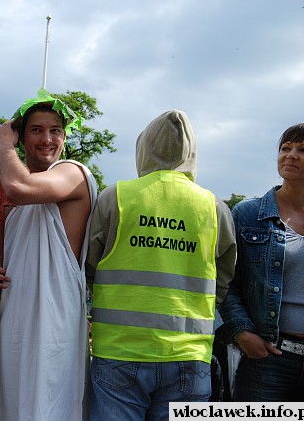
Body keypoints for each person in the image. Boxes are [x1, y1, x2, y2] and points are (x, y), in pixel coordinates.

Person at [84, 109, 237, 420]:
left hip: (119, 350)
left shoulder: (116, 197)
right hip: (189, 353)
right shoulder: (214, 207)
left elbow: (88, 265)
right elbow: (223, 277)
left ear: (144, 148)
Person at [0, 89, 97, 421]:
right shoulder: (11, 183)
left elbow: (20, 188)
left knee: (46, 405)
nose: (47, 139)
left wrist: (4, 145)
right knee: (9, 404)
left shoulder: (73, 173)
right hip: (12, 317)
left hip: (52, 320)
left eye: (55, 131)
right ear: (23, 137)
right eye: (36, 130)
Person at [216, 122, 304, 401]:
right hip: (268, 357)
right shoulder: (247, 214)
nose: (291, 155)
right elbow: (224, 280)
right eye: (285, 148)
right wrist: (241, 332)